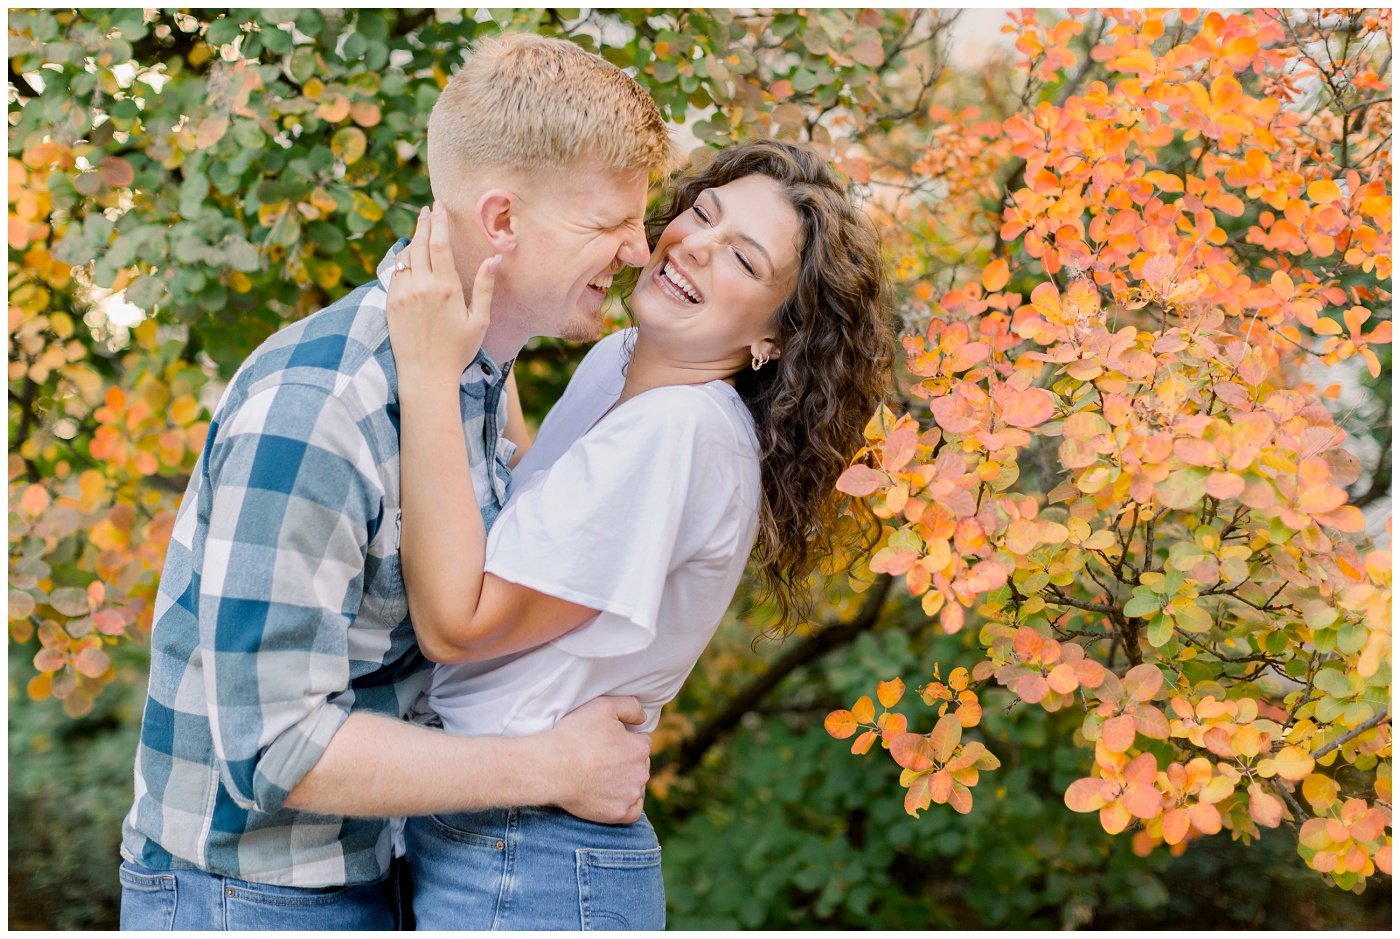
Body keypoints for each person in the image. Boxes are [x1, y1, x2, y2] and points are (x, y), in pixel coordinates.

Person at [117, 33, 673, 930]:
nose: (639, 251)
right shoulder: (318, 407)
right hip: (251, 895)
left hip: (377, 867)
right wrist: (552, 765)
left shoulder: (476, 376)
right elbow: (271, 745)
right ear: (501, 222)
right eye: (608, 222)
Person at [385, 139, 896, 929]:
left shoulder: (680, 432)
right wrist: (502, 291)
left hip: (533, 859)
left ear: (775, 340)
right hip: (488, 824)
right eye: (703, 212)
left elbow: (460, 623)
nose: (694, 244)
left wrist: (426, 372)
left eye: (742, 259)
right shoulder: (625, 359)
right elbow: (526, 483)